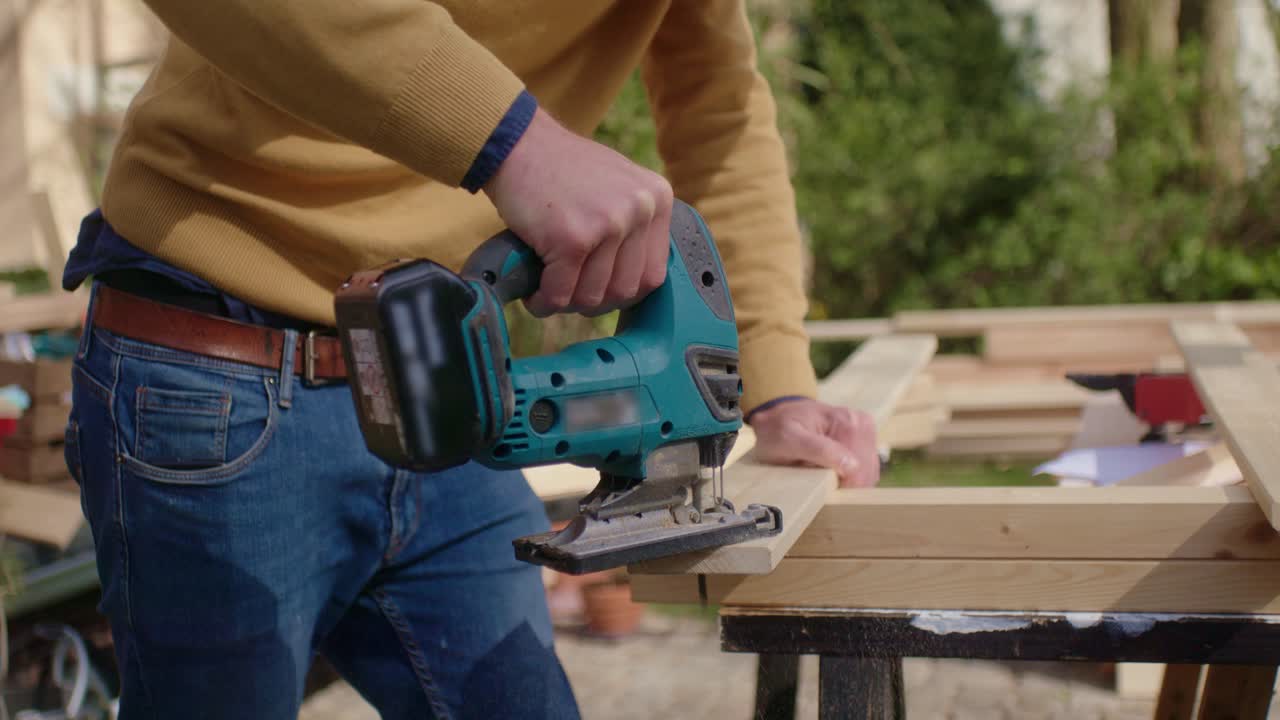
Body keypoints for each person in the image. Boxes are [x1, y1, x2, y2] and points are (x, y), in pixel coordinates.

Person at [59, 2, 881, 718]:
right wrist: (517, 147)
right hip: (217, 363)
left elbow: (720, 114)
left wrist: (770, 382)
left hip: (444, 379)